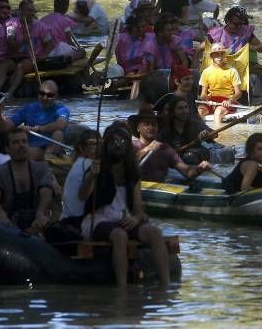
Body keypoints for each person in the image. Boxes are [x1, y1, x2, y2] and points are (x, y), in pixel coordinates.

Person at [79, 123, 172, 290]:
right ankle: (122, 288)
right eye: (113, 142)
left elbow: (138, 211)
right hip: (98, 219)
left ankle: (166, 285)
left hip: (123, 219)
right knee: (120, 235)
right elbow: (82, 196)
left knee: (154, 232)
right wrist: (91, 176)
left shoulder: (132, 173)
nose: (117, 146)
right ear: (106, 146)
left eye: (122, 142)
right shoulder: (97, 168)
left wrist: (135, 219)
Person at [0, 128, 55, 230]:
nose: (21, 145)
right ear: (7, 149)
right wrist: (1, 214)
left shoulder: (42, 168)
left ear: (28, 145)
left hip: (36, 222)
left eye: (24, 141)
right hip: (9, 224)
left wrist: (40, 213)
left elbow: (46, 192)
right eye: (16, 142)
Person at [0, 80, 69, 161]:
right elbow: (4, 128)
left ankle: (50, 157)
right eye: (42, 93)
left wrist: (37, 129)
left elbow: (60, 125)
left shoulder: (62, 109)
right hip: (33, 148)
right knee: (31, 151)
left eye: (50, 95)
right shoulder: (28, 108)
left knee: (58, 133)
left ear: (56, 96)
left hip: (52, 146)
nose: (45, 97)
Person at [208, 5, 262, 97]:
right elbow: (203, 49)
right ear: (227, 21)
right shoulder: (216, 34)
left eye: (241, 24)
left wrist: (252, 47)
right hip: (223, 65)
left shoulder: (245, 32)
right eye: (236, 24)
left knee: (261, 70)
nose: (238, 27)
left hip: (243, 65)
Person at [131, 106, 210, 182]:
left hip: (159, 191)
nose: (151, 127)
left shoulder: (166, 149)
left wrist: (199, 169)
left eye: (154, 124)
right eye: (146, 124)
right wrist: (147, 149)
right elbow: (127, 167)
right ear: (138, 128)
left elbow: (188, 172)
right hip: (136, 190)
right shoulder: (131, 146)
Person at [0, 0, 54, 98]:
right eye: (28, 10)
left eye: (32, 10)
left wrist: (44, 55)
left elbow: (50, 43)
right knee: (3, 65)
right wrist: (23, 40)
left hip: (32, 58)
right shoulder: (11, 24)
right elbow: (10, 42)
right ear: (20, 11)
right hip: (14, 57)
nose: (31, 13)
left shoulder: (40, 26)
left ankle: (9, 93)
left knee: (21, 66)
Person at [60, 129, 101, 223]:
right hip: (79, 220)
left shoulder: (78, 162)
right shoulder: (89, 164)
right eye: (91, 144)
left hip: (66, 216)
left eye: (98, 144)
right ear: (82, 147)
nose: (95, 147)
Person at [157, 95, 214, 161]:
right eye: (180, 108)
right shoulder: (165, 131)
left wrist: (207, 135)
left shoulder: (195, 124)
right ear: (172, 112)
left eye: (186, 107)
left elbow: (214, 134)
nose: (185, 111)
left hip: (202, 159)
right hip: (181, 163)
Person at [198, 43, 243, 125]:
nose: (219, 56)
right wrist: (206, 99)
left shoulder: (232, 70)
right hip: (211, 101)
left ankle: (218, 135)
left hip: (227, 101)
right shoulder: (206, 72)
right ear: (212, 56)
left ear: (225, 55)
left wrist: (230, 100)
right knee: (199, 111)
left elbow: (238, 93)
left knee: (218, 112)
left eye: (222, 54)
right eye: (216, 54)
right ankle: (200, 133)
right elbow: (203, 94)